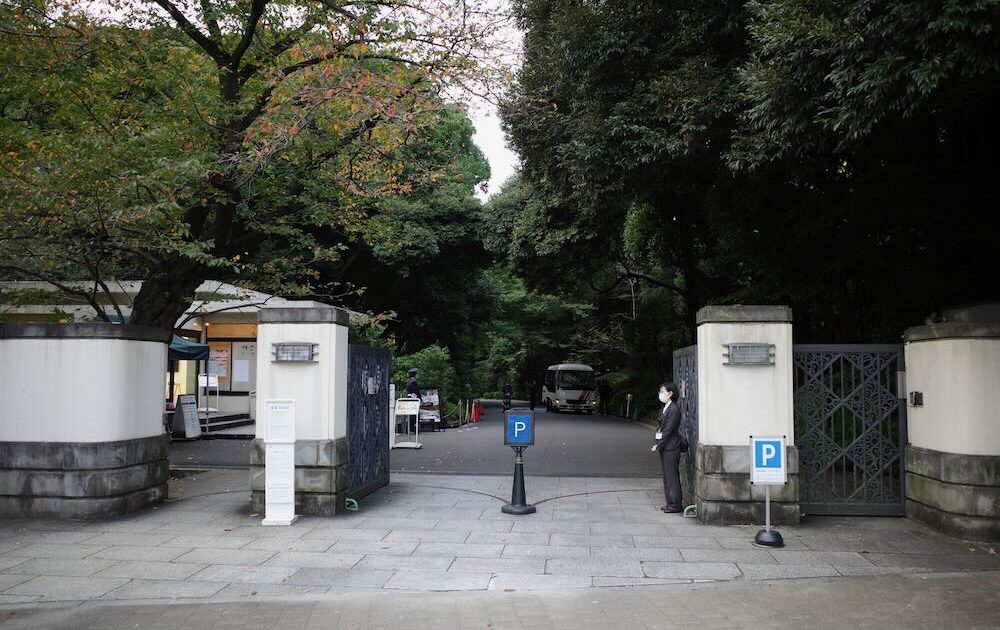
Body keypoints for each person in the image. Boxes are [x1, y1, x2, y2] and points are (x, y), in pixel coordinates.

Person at [651, 381, 683, 513]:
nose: (660, 394)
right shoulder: (666, 408)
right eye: (660, 391)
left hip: (671, 447)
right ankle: (670, 502)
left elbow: (669, 431)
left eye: (662, 391)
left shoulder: (674, 409)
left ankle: (675, 505)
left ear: (670, 394)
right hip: (666, 447)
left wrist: (658, 445)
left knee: (672, 476)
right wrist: (658, 443)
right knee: (667, 476)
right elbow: (661, 429)